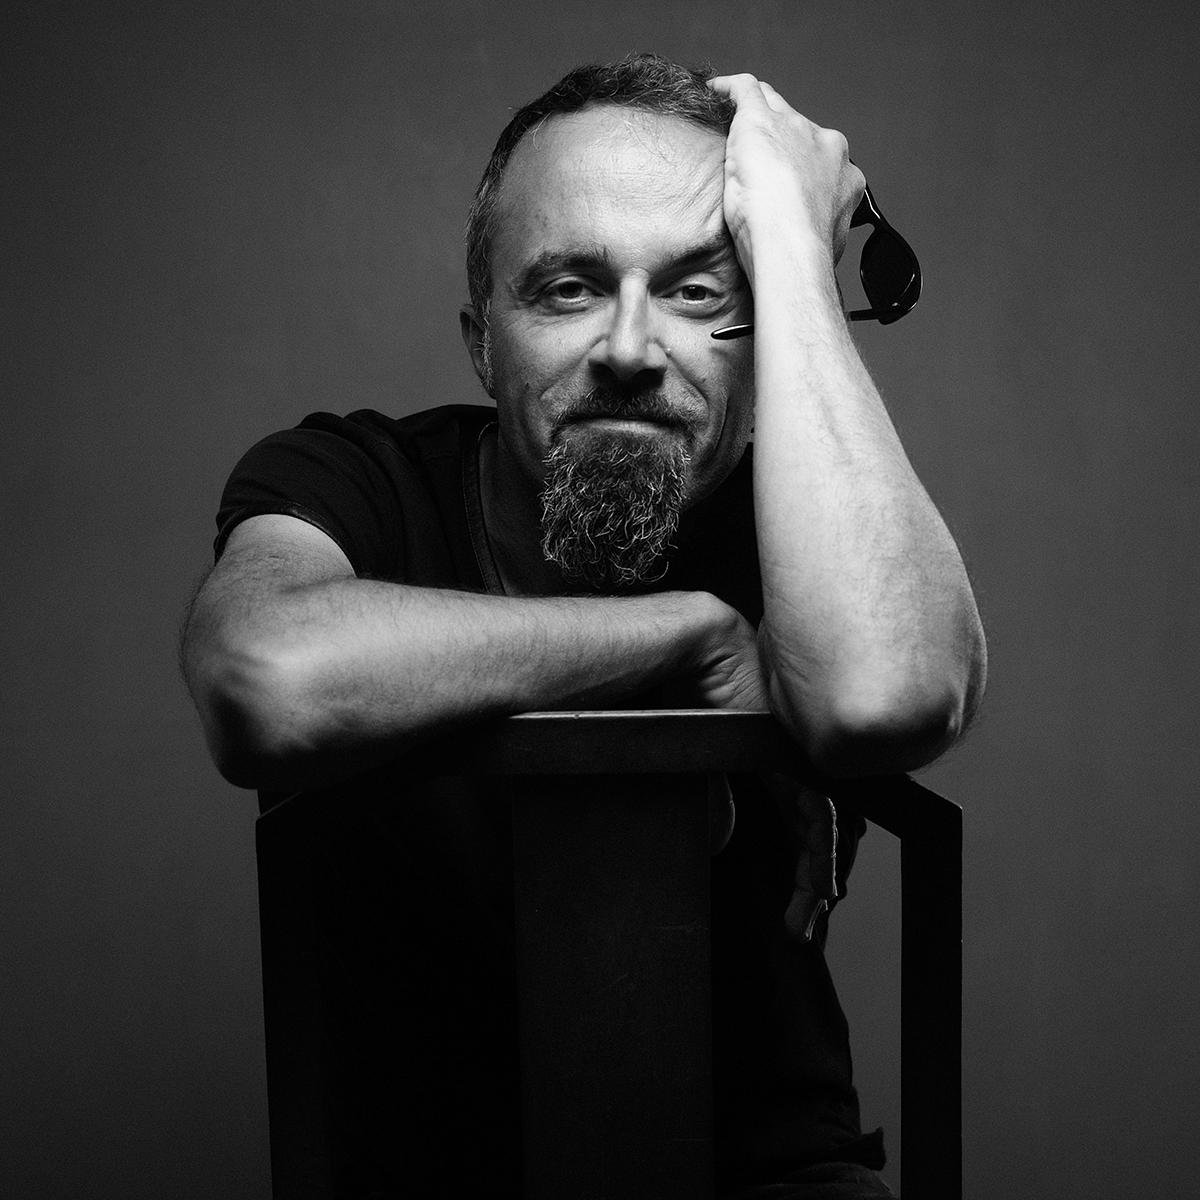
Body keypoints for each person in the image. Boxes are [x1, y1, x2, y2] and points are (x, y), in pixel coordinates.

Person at [182, 53, 985, 1199]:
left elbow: (889, 694)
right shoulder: (357, 481)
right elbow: (266, 681)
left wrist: (799, 258)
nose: (627, 347)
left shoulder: (814, 532)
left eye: (701, 292)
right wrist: (686, 636)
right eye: (568, 288)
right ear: (482, 339)